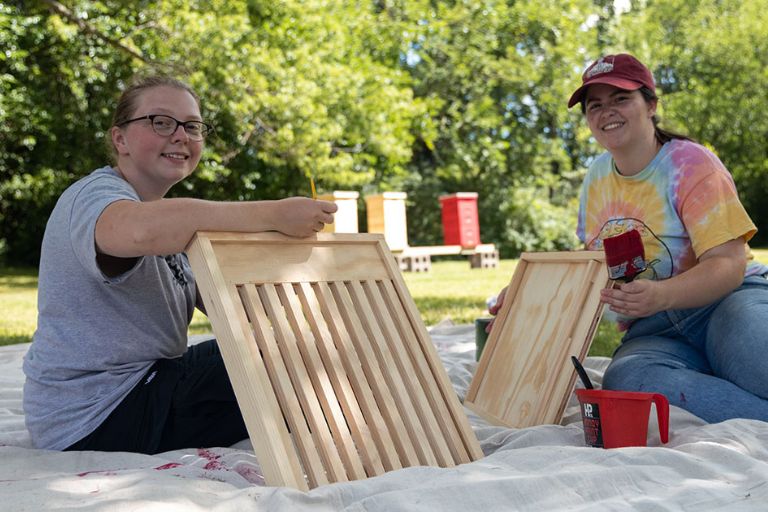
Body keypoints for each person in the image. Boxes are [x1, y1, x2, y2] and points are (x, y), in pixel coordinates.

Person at [22, 75, 338, 453]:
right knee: (298, 366)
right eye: (161, 121)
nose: (180, 135)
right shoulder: (97, 195)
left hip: (147, 385)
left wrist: (305, 303)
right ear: (119, 139)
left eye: (192, 126)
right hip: (99, 413)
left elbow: (230, 302)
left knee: (305, 347)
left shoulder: (167, 222)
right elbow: (137, 232)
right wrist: (274, 213)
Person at [561, 53, 768, 423]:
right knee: (626, 380)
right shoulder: (595, 178)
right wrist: (524, 301)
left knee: (757, 353)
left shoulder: (692, 164)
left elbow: (729, 264)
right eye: (595, 105)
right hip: (654, 333)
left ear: (651, 104)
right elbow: (591, 265)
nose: (606, 111)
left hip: (725, 305)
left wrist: (660, 294)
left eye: (621, 99)